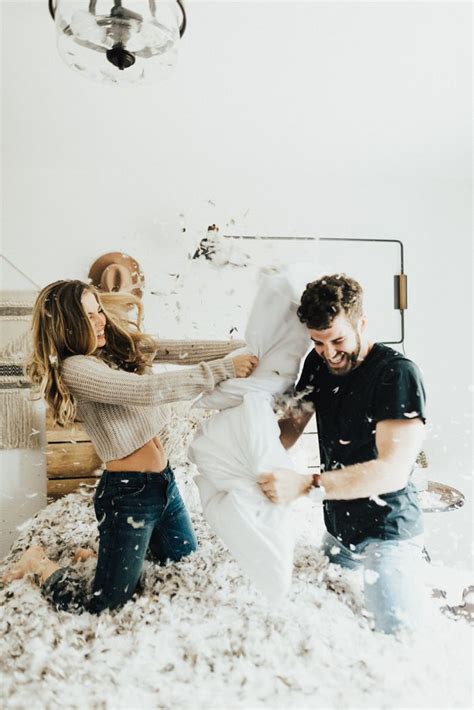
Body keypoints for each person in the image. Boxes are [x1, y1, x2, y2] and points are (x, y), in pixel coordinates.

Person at [3, 280, 258, 613]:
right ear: (68, 324)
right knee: (102, 605)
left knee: (183, 566)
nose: (101, 321)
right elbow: (146, 391)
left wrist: (247, 348)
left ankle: (105, 558)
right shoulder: (75, 368)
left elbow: (177, 350)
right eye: (89, 316)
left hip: (164, 485)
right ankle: (38, 564)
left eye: (99, 312)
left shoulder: (110, 350)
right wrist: (223, 369)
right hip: (128, 497)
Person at [257, 274, 426, 634]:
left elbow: (391, 471)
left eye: (338, 339)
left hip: (388, 531)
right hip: (337, 529)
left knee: (398, 635)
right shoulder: (318, 365)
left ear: (361, 323)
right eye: (317, 342)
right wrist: (251, 427)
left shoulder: (396, 374)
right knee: (329, 624)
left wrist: (304, 485)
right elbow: (288, 431)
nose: (329, 353)